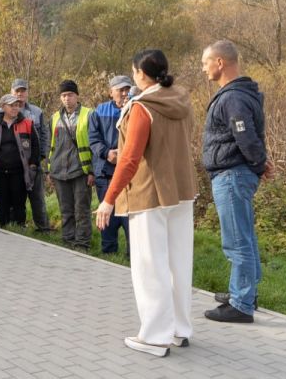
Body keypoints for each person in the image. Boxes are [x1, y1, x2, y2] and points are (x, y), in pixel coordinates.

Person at [95, 49, 197, 357]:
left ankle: (154, 336)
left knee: (150, 265)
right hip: (181, 190)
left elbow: (129, 159)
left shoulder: (141, 107)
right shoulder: (180, 99)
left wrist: (108, 199)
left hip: (149, 193)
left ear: (141, 74)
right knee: (179, 262)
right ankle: (179, 329)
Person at [201, 40, 272, 324]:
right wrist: (260, 164)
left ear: (220, 62)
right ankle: (245, 293)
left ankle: (241, 304)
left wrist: (258, 163)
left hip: (231, 174)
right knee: (245, 236)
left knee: (237, 241)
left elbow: (245, 135)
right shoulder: (240, 93)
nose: (203, 68)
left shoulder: (233, 98)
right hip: (237, 172)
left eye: (206, 62)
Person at [89, 75, 134, 254]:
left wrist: (123, 155)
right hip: (105, 172)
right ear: (111, 92)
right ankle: (108, 254)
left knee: (130, 219)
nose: (124, 93)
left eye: (127, 89)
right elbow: (93, 138)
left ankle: (133, 255)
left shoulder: (136, 109)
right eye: (120, 90)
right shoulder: (99, 111)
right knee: (107, 215)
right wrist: (106, 153)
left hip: (129, 173)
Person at [47, 79, 94, 249]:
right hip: (59, 171)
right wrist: (49, 171)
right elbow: (50, 146)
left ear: (77, 96)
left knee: (82, 211)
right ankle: (67, 242)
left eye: (70, 95)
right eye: (64, 95)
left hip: (80, 171)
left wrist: (92, 172)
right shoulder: (54, 118)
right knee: (66, 211)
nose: (67, 98)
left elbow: (94, 145)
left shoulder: (89, 115)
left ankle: (82, 244)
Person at [0, 94, 40, 229]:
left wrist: (33, 164)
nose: (15, 108)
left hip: (20, 171)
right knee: (2, 201)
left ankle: (20, 227)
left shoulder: (27, 123)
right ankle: (3, 227)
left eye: (17, 105)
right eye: (11, 105)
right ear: (3, 107)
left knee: (19, 201)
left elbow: (35, 146)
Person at [11, 79, 51, 232]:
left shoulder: (37, 112)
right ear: (11, 92)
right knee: (16, 196)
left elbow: (44, 136)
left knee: (37, 198)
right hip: (13, 164)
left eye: (23, 91)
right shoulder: (3, 112)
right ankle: (16, 226)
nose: (20, 94)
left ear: (27, 93)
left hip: (34, 163)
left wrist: (40, 157)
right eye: (17, 91)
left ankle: (43, 228)